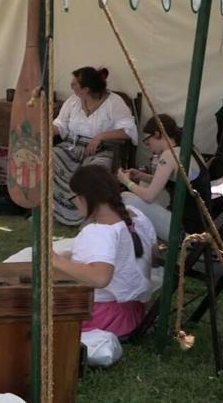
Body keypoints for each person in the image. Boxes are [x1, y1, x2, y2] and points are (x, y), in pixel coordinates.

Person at [51, 165, 156, 337]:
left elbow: (100, 277)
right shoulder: (137, 216)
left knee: (31, 309)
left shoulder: (99, 231)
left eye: (74, 198)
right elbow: (147, 252)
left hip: (104, 317)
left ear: (84, 198)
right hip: (134, 313)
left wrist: (56, 261)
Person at [52, 66, 138, 225]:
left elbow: (129, 130)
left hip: (101, 151)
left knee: (95, 172)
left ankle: (89, 216)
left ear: (86, 89)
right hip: (72, 147)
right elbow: (60, 125)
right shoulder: (73, 101)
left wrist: (102, 136)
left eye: (74, 84)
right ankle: (58, 212)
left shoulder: (114, 102)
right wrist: (41, 130)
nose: (71, 86)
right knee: (50, 158)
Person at [117, 115, 211, 239]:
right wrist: (141, 176)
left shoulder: (169, 155)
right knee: (142, 188)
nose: (148, 146)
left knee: (125, 198)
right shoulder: (188, 149)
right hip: (199, 223)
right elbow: (166, 181)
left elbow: (149, 196)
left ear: (157, 134)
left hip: (184, 229)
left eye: (147, 142)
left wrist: (126, 181)